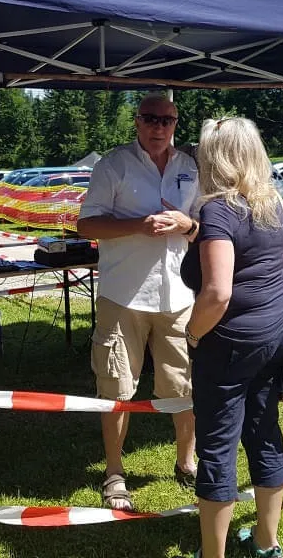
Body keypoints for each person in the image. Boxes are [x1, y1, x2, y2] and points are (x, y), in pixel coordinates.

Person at [75, 93, 199, 512]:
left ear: (176, 123)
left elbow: (205, 225)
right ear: (137, 122)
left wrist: (188, 224)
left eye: (167, 120)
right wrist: (138, 226)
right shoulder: (114, 165)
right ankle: (114, 473)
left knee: (183, 385)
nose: (158, 126)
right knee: (116, 387)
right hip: (123, 295)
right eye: (150, 118)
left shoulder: (189, 167)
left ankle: (186, 462)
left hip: (178, 295)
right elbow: (86, 224)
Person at [181, 117, 283, 558]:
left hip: (230, 342)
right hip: (277, 330)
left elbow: (217, 293)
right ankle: (267, 543)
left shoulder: (217, 210)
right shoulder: (272, 202)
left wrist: (193, 334)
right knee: (265, 431)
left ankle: (213, 554)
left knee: (217, 444)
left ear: (214, 158)